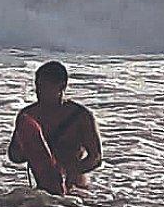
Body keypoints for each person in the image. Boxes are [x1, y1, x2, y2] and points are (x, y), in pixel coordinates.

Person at [8, 61, 102, 193]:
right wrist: (28, 147)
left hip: (75, 191)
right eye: (38, 86)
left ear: (61, 87)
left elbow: (96, 157)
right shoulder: (28, 115)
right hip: (44, 189)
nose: (39, 92)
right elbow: (14, 156)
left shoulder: (80, 116)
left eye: (45, 87)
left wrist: (69, 171)